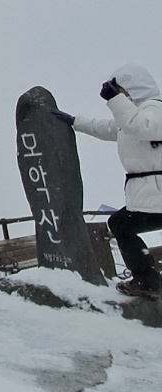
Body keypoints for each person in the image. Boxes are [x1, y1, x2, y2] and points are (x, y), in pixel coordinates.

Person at [53, 64, 162, 297]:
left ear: (133, 87)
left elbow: (141, 127)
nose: (118, 95)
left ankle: (147, 280)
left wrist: (115, 99)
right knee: (122, 224)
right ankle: (147, 279)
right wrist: (74, 121)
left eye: (119, 89)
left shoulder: (155, 109)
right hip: (151, 194)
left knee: (121, 225)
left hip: (157, 194)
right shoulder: (133, 113)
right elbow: (106, 128)